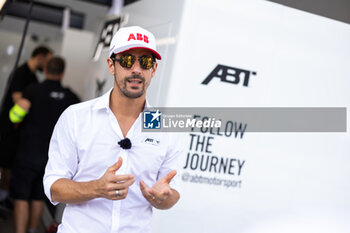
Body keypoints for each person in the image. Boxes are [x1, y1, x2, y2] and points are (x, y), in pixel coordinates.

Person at [43, 26, 183, 233]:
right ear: (111, 65)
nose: (136, 69)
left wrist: (164, 198)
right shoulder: (76, 117)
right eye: (127, 60)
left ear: (153, 70)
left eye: (145, 62)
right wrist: (95, 188)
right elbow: (54, 188)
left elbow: (171, 195)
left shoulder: (164, 126)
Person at [9, 56, 80, 233]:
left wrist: (17, 110)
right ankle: (33, 230)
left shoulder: (33, 90)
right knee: (38, 197)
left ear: (46, 70)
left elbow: (15, 116)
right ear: (63, 73)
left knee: (21, 197)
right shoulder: (71, 98)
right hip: (52, 157)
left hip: (27, 154)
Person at [0, 46, 53, 204]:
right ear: (40, 57)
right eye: (47, 60)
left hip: (20, 130)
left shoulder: (34, 78)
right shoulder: (21, 73)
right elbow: (18, 99)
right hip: (9, 126)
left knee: (10, 164)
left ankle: (3, 197)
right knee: (3, 162)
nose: (47, 65)